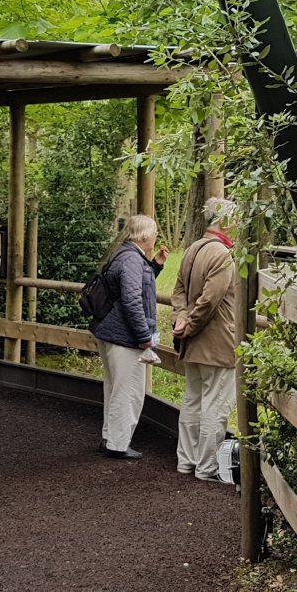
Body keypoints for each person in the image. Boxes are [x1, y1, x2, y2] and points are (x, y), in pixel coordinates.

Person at [171, 197, 239, 481]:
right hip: (218, 344)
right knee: (216, 406)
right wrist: (191, 323)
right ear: (224, 221)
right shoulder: (222, 255)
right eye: (235, 220)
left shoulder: (192, 249)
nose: (237, 226)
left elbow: (178, 291)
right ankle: (207, 467)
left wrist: (182, 319)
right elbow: (210, 300)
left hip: (193, 345)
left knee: (193, 401)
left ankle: (185, 460)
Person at [91, 214, 166, 460]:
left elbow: (135, 287)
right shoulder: (132, 260)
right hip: (124, 336)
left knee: (113, 387)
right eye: (154, 232)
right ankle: (118, 444)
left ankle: (110, 437)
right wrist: (144, 337)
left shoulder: (124, 254)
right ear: (144, 235)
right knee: (129, 390)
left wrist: (154, 266)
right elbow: (132, 300)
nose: (155, 237)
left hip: (110, 330)